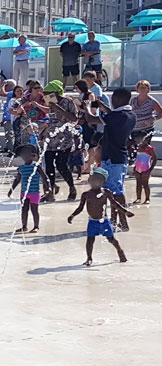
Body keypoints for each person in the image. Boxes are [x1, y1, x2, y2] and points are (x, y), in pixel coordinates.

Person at [67, 167, 133, 265]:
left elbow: (115, 204)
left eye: (98, 180)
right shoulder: (86, 194)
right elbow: (80, 208)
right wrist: (72, 215)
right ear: (89, 180)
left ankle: (120, 251)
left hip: (104, 221)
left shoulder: (106, 192)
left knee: (111, 239)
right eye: (93, 179)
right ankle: (89, 258)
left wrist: (125, 212)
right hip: (92, 221)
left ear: (103, 183)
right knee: (90, 240)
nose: (95, 182)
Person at [102, 88, 136, 231]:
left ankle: (122, 221)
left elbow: (91, 118)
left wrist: (86, 106)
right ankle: (114, 220)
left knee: (115, 192)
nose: (111, 101)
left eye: (113, 99)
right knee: (113, 190)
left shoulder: (115, 117)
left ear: (117, 99)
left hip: (111, 158)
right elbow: (113, 116)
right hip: (119, 157)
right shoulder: (130, 115)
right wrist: (103, 107)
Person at [40, 80, 79, 201]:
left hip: (64, 139)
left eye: (49, 94)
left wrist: (58, 108)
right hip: (51, 139)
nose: (46, 97)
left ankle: (72, 187)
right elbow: (51, 121)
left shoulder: (68, 102)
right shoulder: (49, 105)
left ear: (56, 93)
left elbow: (74, 119)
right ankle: (50, 191)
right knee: (49, 166)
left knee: (61, 164)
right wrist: (42, 132)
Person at [9, 144, 48, 233]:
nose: (25, 156)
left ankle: (36, 226)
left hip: (35, 193)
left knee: (34, 210)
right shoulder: (21, 168)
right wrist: (11, 190)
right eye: (23, 155)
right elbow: (17, 180)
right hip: (24, 193)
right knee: (24, 209)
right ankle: (24, 226)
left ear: (33, 155)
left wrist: (47, 188)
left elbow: (44, 177)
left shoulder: (36, 166)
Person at [132, 132, 156, 204]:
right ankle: (138, 198)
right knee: (138, 183)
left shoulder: (149, 149)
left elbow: (154, 159)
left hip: (146, 168)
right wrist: (135, 167)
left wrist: (150, 169)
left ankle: (147, 198)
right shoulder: (138, 147)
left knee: (145, 184)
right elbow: (137, 158)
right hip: (138, 168)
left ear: (147, 140)